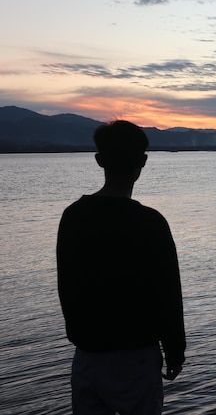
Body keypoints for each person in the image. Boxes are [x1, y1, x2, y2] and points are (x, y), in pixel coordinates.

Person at [57, 120, 186, 415]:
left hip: (88, 356)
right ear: (142, 161)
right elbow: (167, 292)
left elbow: (67, 286)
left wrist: (83, 335)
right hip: (137, 356)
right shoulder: (151, 222)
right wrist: (175, 351)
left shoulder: (73, 217)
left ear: (99, 160)